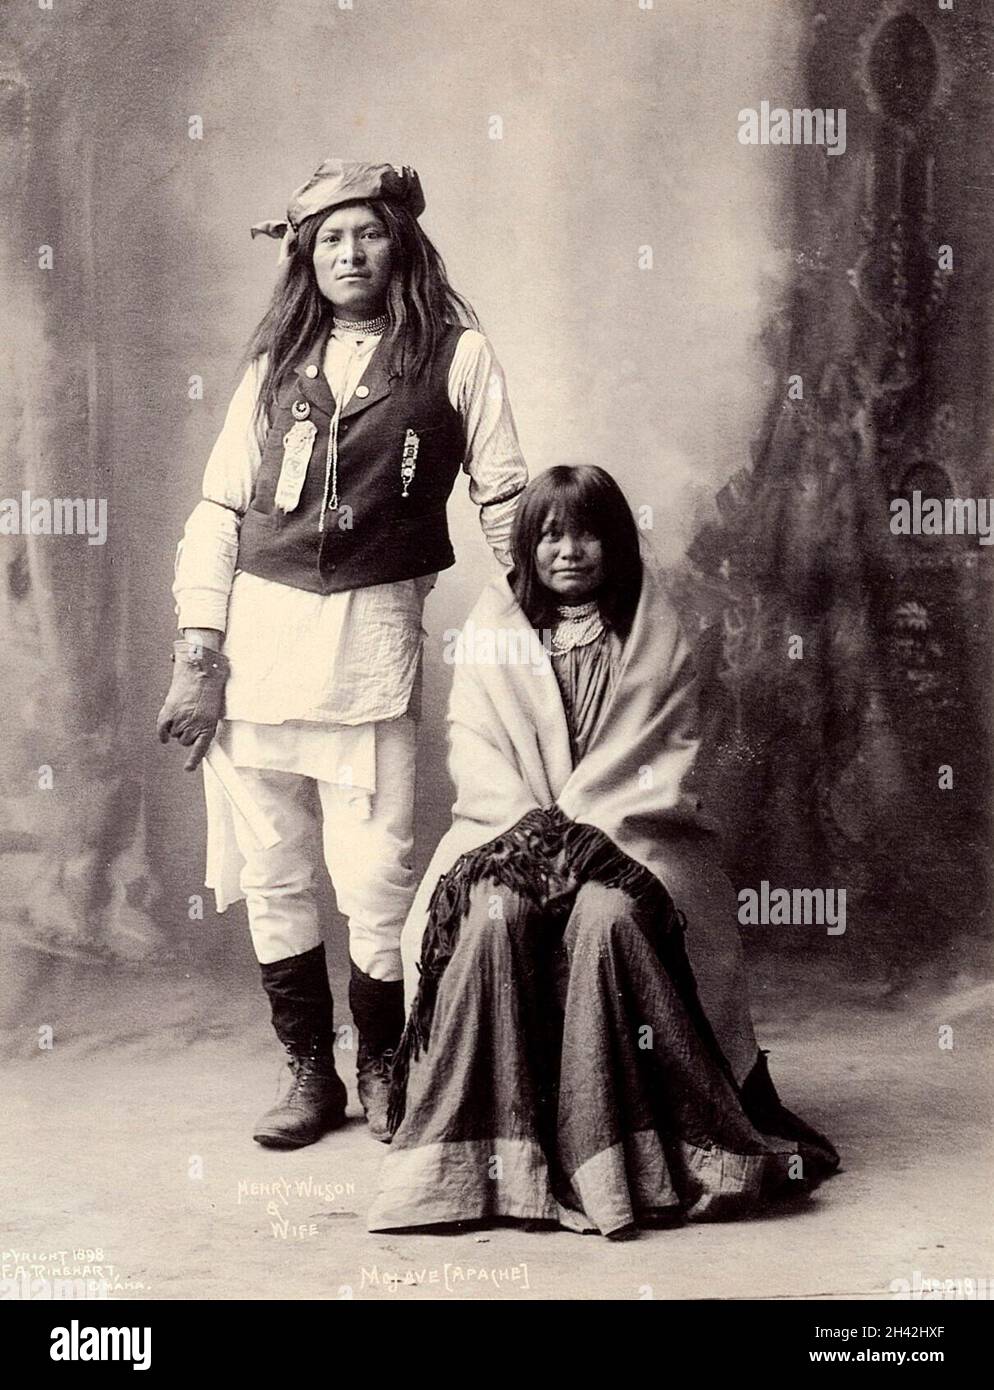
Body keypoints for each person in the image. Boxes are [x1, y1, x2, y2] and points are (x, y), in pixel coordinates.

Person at [156, 158, 527, 1148]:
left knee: (374, 878)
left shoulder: (456, 356)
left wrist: (552, 608)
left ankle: (383, 1063)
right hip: (257, 656)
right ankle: (308, 1073)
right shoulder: (274, 365)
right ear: (306, 257)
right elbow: (219, 507)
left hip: (369, 659)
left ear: (398, 240)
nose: (350, 253)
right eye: (330, 239)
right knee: (275, 874)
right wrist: (200, 652)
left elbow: (503, 498)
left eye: (366, 233)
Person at [369, 465, 839, 1237]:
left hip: (633, 836)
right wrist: (531, 832)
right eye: (551, 534)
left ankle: (620, 1156)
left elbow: (666, 755)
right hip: (511, 832)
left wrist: (590, 835)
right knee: (490, 916)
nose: (570, 551)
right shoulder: (494, 625)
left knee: (609, 922)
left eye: (588, 533)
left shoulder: (651, 631)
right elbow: (476, 747)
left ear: (615, 543)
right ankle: (476, 1163)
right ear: (528, 545)